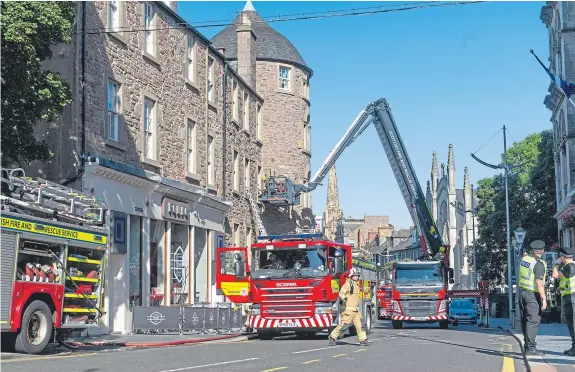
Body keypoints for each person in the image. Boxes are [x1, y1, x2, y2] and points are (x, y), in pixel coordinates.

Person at [328, 268, 372, 346]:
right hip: (349, 311)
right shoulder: (347, 284)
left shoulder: (356, 285)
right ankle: (332, 337)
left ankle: (363, 340)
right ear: (351, 276)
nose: (356, 277)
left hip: (356, 311)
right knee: (343, 326)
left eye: (357, 276)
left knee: (360, 326)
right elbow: (341, 294)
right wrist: (345, 299)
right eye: (355, 276)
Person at [518, 240, 548, 355]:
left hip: (522, 292)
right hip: (532, 294)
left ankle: (527, 346)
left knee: (525, 319)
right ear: (542, 251)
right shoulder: (539, 264)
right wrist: (544, 299)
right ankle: (531, 348)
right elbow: (539, 282)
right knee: (533, 320)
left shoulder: (525, 260)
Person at [552, 246, 575, 355]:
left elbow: (555, 275)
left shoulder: (569, 267)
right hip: (569, 297)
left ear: (563, 257)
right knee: (571, 323)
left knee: (572, 323)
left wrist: (556, 263)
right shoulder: (571, 266)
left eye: (561, 257)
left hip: (572, 298)